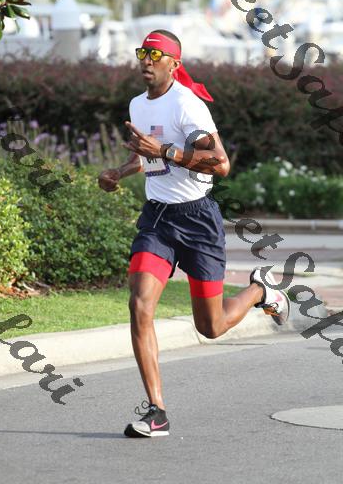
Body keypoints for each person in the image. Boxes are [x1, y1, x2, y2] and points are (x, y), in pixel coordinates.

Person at [97, 29, 290, 438]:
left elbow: (220, 164)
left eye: (155, 55)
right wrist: (119, 171)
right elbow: (147, 155)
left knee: (211, 327)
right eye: (142, 52)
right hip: (157, 219)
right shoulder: (137, 104)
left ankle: (260, 291)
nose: (146, 61)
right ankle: (157, 412)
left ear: (174, 64)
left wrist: (165, 151)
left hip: (197, 219)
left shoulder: (188, 105)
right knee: (139, 304)